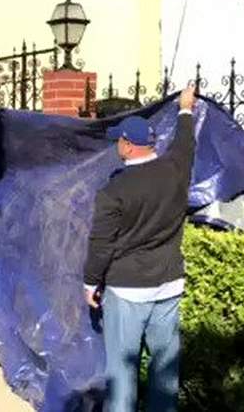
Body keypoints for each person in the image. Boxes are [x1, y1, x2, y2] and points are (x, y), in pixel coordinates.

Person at [83, 87, 198, 412]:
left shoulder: (114, 191)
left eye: (119, 140)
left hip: (127, 290)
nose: (117, 145)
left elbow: (101, 244)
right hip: (169, 284)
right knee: (165, 370)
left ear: (128, 146)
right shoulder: (176, 170)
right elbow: (185, 144)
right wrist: (185, 109)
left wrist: (90, 283)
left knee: (122, 372)